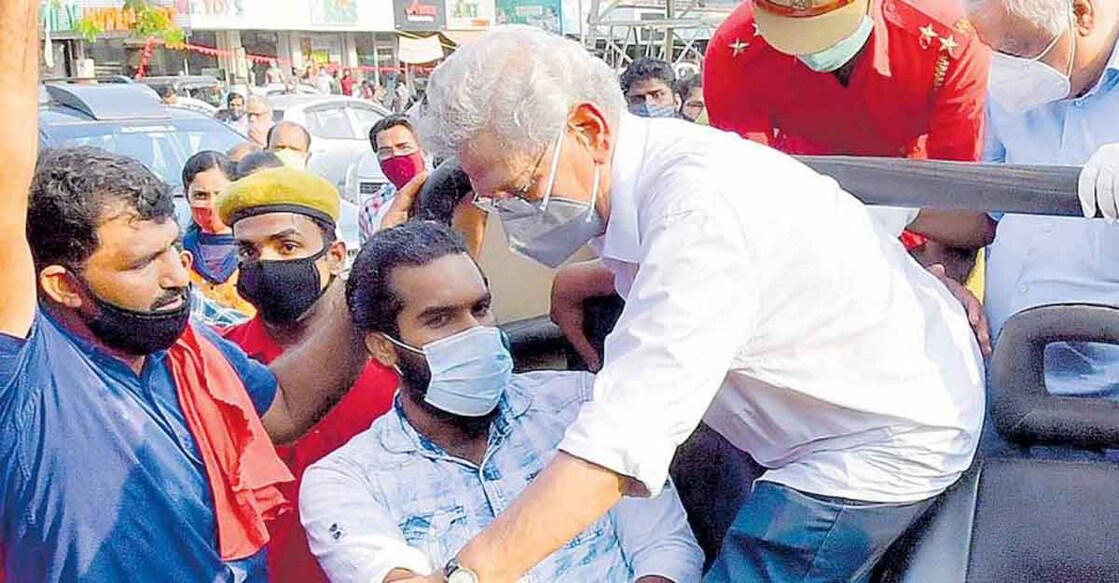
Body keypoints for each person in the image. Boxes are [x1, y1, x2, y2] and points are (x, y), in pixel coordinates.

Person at [404, 25, 988, 583]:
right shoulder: (653, 175)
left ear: (590, 129)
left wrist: (469, 572)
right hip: (836, 405)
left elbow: (618, 444)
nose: (512, 214)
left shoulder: (695, 213)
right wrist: (586, 280)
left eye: (520, 191)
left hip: (878, 440)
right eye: (493, 200)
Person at [1, 58, 369, 583]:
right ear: (62, 285)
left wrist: (364, 288)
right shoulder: (26, 371)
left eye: (174, 248)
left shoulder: (184, 346)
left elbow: (283, 407)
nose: (178, 275)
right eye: (142, 263)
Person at [300, 220, 704, 583]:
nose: (475, 332)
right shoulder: (346, 481)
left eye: (480, 309)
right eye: (440, 319)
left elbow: (665, 549)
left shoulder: (579, 403)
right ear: (384, 348)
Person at [705, 0, 996, 284]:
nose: (811, 43)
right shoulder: (735, 49)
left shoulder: (948, 37)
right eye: (792, 31)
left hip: (919, 228)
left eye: (825, 27)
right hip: (802, 234)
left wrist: (936, 285)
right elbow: (749, 194)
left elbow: (960, 198)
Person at [216, 166, 399, 583]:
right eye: (248, 251)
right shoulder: (221, 363)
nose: (265, 262)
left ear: (335, 256)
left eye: (287, 245)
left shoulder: (393, 355)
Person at [967, 0, 1119, 403]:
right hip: (1002, 383)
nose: (1003, 69)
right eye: (992, 50)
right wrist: (899, 213)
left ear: (1082, 13)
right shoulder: (1011, 92)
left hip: (1105, 405)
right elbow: (984, 211)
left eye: (1015, 51)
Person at [181, 151, 255, 318]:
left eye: (220, 194)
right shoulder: (179, 252)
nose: (211, 204)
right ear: (187, 196)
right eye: (201, 195)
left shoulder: (255, 247)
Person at [358, 115, 430, 243]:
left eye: (403, 147)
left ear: (422, 148)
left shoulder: (444, 190)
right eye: (385, 151)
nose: (395, 155)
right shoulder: (372, 208)